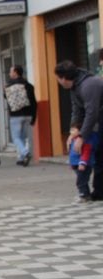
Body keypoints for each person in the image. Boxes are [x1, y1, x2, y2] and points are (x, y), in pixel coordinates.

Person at [55, 60, 103, 199]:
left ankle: (99, 192)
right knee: (98, 155)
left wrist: (81, 137)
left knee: (99, 155)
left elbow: (91, 113)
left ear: (63, 78)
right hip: (98, 121)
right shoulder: (75, 87)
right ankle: (99, 192)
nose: (58, 81)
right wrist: (73, 131)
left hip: (99, 120)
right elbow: (76, 111)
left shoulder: (89, 85)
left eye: (57, 78)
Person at [4, 65, 37, 167]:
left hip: (15, 115)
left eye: (10, 71)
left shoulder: (8, 86)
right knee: (23, 136)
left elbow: (5, 97)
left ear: (15, 73)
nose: (9, 74)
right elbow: (34, 102)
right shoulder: (28, 85)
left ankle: (25, 152)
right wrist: (34, 116)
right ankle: (21, 158)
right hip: (28, 114)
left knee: (16, 138)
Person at [69, 130, 98, 203]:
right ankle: (86, 195)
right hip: (77, 164)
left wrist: (83, 163)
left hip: (83, 165)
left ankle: (83, 195)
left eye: (73, 130)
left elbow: (86, 153)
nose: (71, 132)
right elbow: (72, 154)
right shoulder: (74, 140)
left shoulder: (85, 141)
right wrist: (72, 164)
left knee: (81, 181)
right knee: (83, 181)